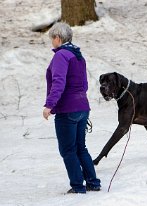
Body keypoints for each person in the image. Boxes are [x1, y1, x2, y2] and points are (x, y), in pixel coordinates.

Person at [43, 22, 101, 194]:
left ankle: (77, 187)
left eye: (52, 39)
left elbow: (58, 82)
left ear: (58, 38)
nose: (51, 42)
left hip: (67, 110)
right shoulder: (78, 56)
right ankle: (93, 183)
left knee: (68, 150)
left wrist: (49, 105)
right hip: (82, 107)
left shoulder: (61, 56)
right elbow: (84, 84)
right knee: (80, 148)